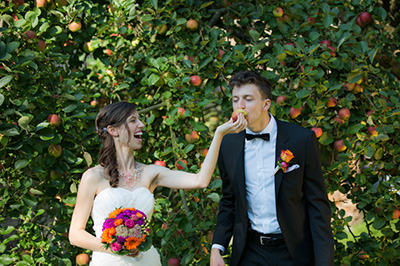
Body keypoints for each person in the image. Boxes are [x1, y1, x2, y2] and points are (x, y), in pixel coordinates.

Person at [69, 101, 247, 265]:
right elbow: (75, 234)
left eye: (140, 119)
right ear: (113, 130)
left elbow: (201, 181)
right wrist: (116, 247)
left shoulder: (151, 173)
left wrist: (219, 134)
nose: (142, 125)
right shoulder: (93, 177)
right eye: (133, 120)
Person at [210, 70, 334, 266]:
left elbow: (317, 206)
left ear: (266, 104)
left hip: (293, 252)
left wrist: (324, 262)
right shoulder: (228, 144)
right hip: (250, 252)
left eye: (248, 99)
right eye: (235, 100)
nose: (240, 106)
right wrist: (217, 247)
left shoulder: (301, 140)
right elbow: (229, 201)